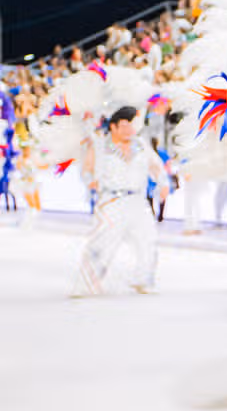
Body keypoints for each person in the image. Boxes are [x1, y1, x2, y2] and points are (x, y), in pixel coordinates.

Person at [71, 105, 172, 296]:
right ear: (114, 127)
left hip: (137, 200)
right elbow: (87, 168)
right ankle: (86, 284)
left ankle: (144, 280)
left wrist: (163, 184)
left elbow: (155, 165)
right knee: (101, 243)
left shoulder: (141, 144)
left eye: (132, 126)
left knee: (148, 241)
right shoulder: (101, 145)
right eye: (125, 126)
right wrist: (89, 181)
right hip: (111, 200)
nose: (129, 130)